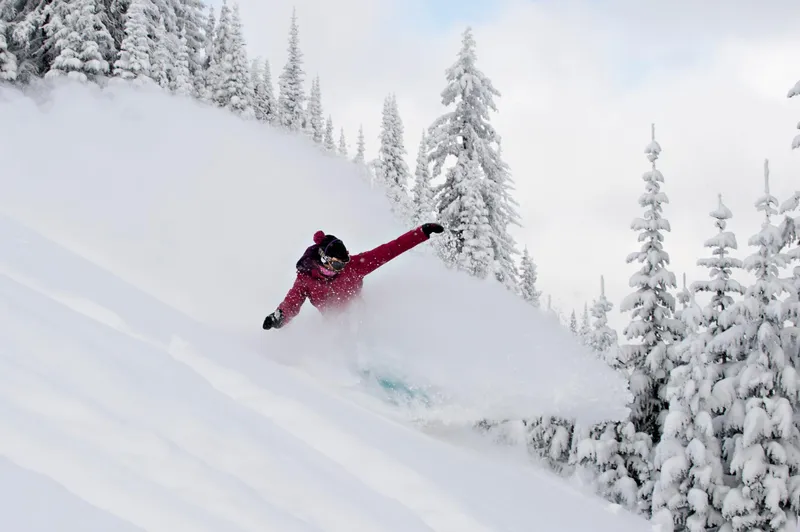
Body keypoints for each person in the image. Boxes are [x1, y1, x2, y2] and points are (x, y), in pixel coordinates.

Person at [262, 223, 444, 330]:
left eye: (344, 262)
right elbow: (292, 303)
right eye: (336, 264)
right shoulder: (306, 279)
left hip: (361, 318)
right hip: (334, 325)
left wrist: (421, 232)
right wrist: (279, 317)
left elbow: (390, 250)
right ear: (323, 259)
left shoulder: (354, 266)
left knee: (359, 326)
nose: (341, 268)